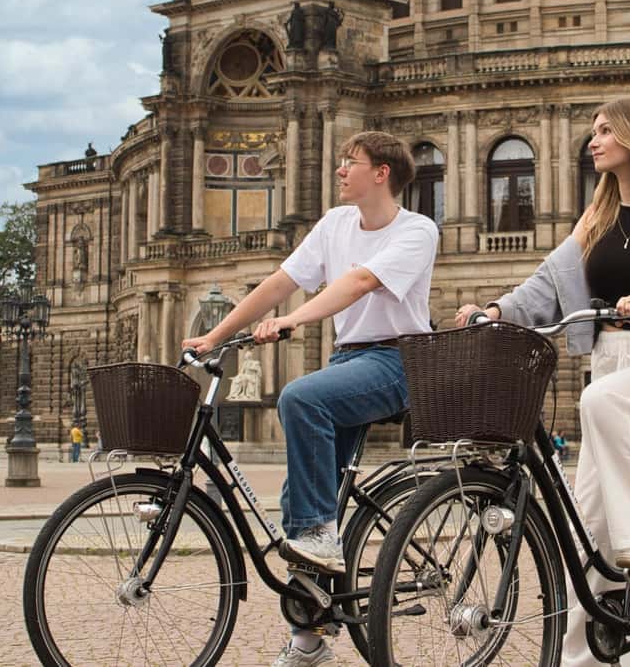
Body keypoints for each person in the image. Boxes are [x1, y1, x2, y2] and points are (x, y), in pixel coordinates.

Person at [455, 96, 630, 667]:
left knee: (601, 402)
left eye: (605, 131)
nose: (593, 141)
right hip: (610, 364)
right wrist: (495, 311)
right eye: (593, 131)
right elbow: (547, 283)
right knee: (589, 531)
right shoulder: (594, 219)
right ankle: (586, 659)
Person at [182, 131, 438, 667]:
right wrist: (215, 336)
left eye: (350, 162)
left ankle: (322, 536)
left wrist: (293, 320)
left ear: (382, 173)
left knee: (300, 399)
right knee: (300, 502)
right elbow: (279, 283)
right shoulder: (335, 224)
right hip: (349, 363)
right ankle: (310, 638)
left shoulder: (417, 230)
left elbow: (360, 282)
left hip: (398, 361)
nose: (340, 170)